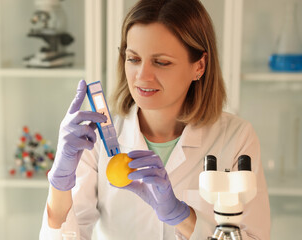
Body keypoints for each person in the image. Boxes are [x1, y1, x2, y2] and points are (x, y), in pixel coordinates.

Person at [40, 0, 270, 239]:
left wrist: (181, 216)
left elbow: (254, 236)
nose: (142, 76)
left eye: (161, 62)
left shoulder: (235, 137)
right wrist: (59, 185)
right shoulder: (96, 135)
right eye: (134, 59)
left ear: (199, 66)